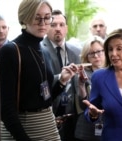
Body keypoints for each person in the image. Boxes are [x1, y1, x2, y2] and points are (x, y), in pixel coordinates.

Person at [0, 0, 78, 140]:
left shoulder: (44, 50)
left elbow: (44, 98)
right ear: (24, 17)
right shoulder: (10, 51)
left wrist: (61, 81)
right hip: (23, 126)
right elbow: (6, 108)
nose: (43, 22)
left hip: (47, 123)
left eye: (47, 17)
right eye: (37, 17)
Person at [40, 9, 81, 141]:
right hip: (50, 114)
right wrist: (60, 78)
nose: (58, 28)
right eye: (53, 25)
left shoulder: (76, 52)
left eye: (61, 25)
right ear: (47, 27)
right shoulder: (39, 50)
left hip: (73, 114)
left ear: (66, 28)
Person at [74, 35, 105, 141]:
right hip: (86, 130)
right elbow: (81, 106)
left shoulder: (113, 72)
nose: (96, 56)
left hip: (108, 127)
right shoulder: (83, 74)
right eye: (92, 53)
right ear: (86, 56)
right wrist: (82, 85)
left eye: (99, 51)